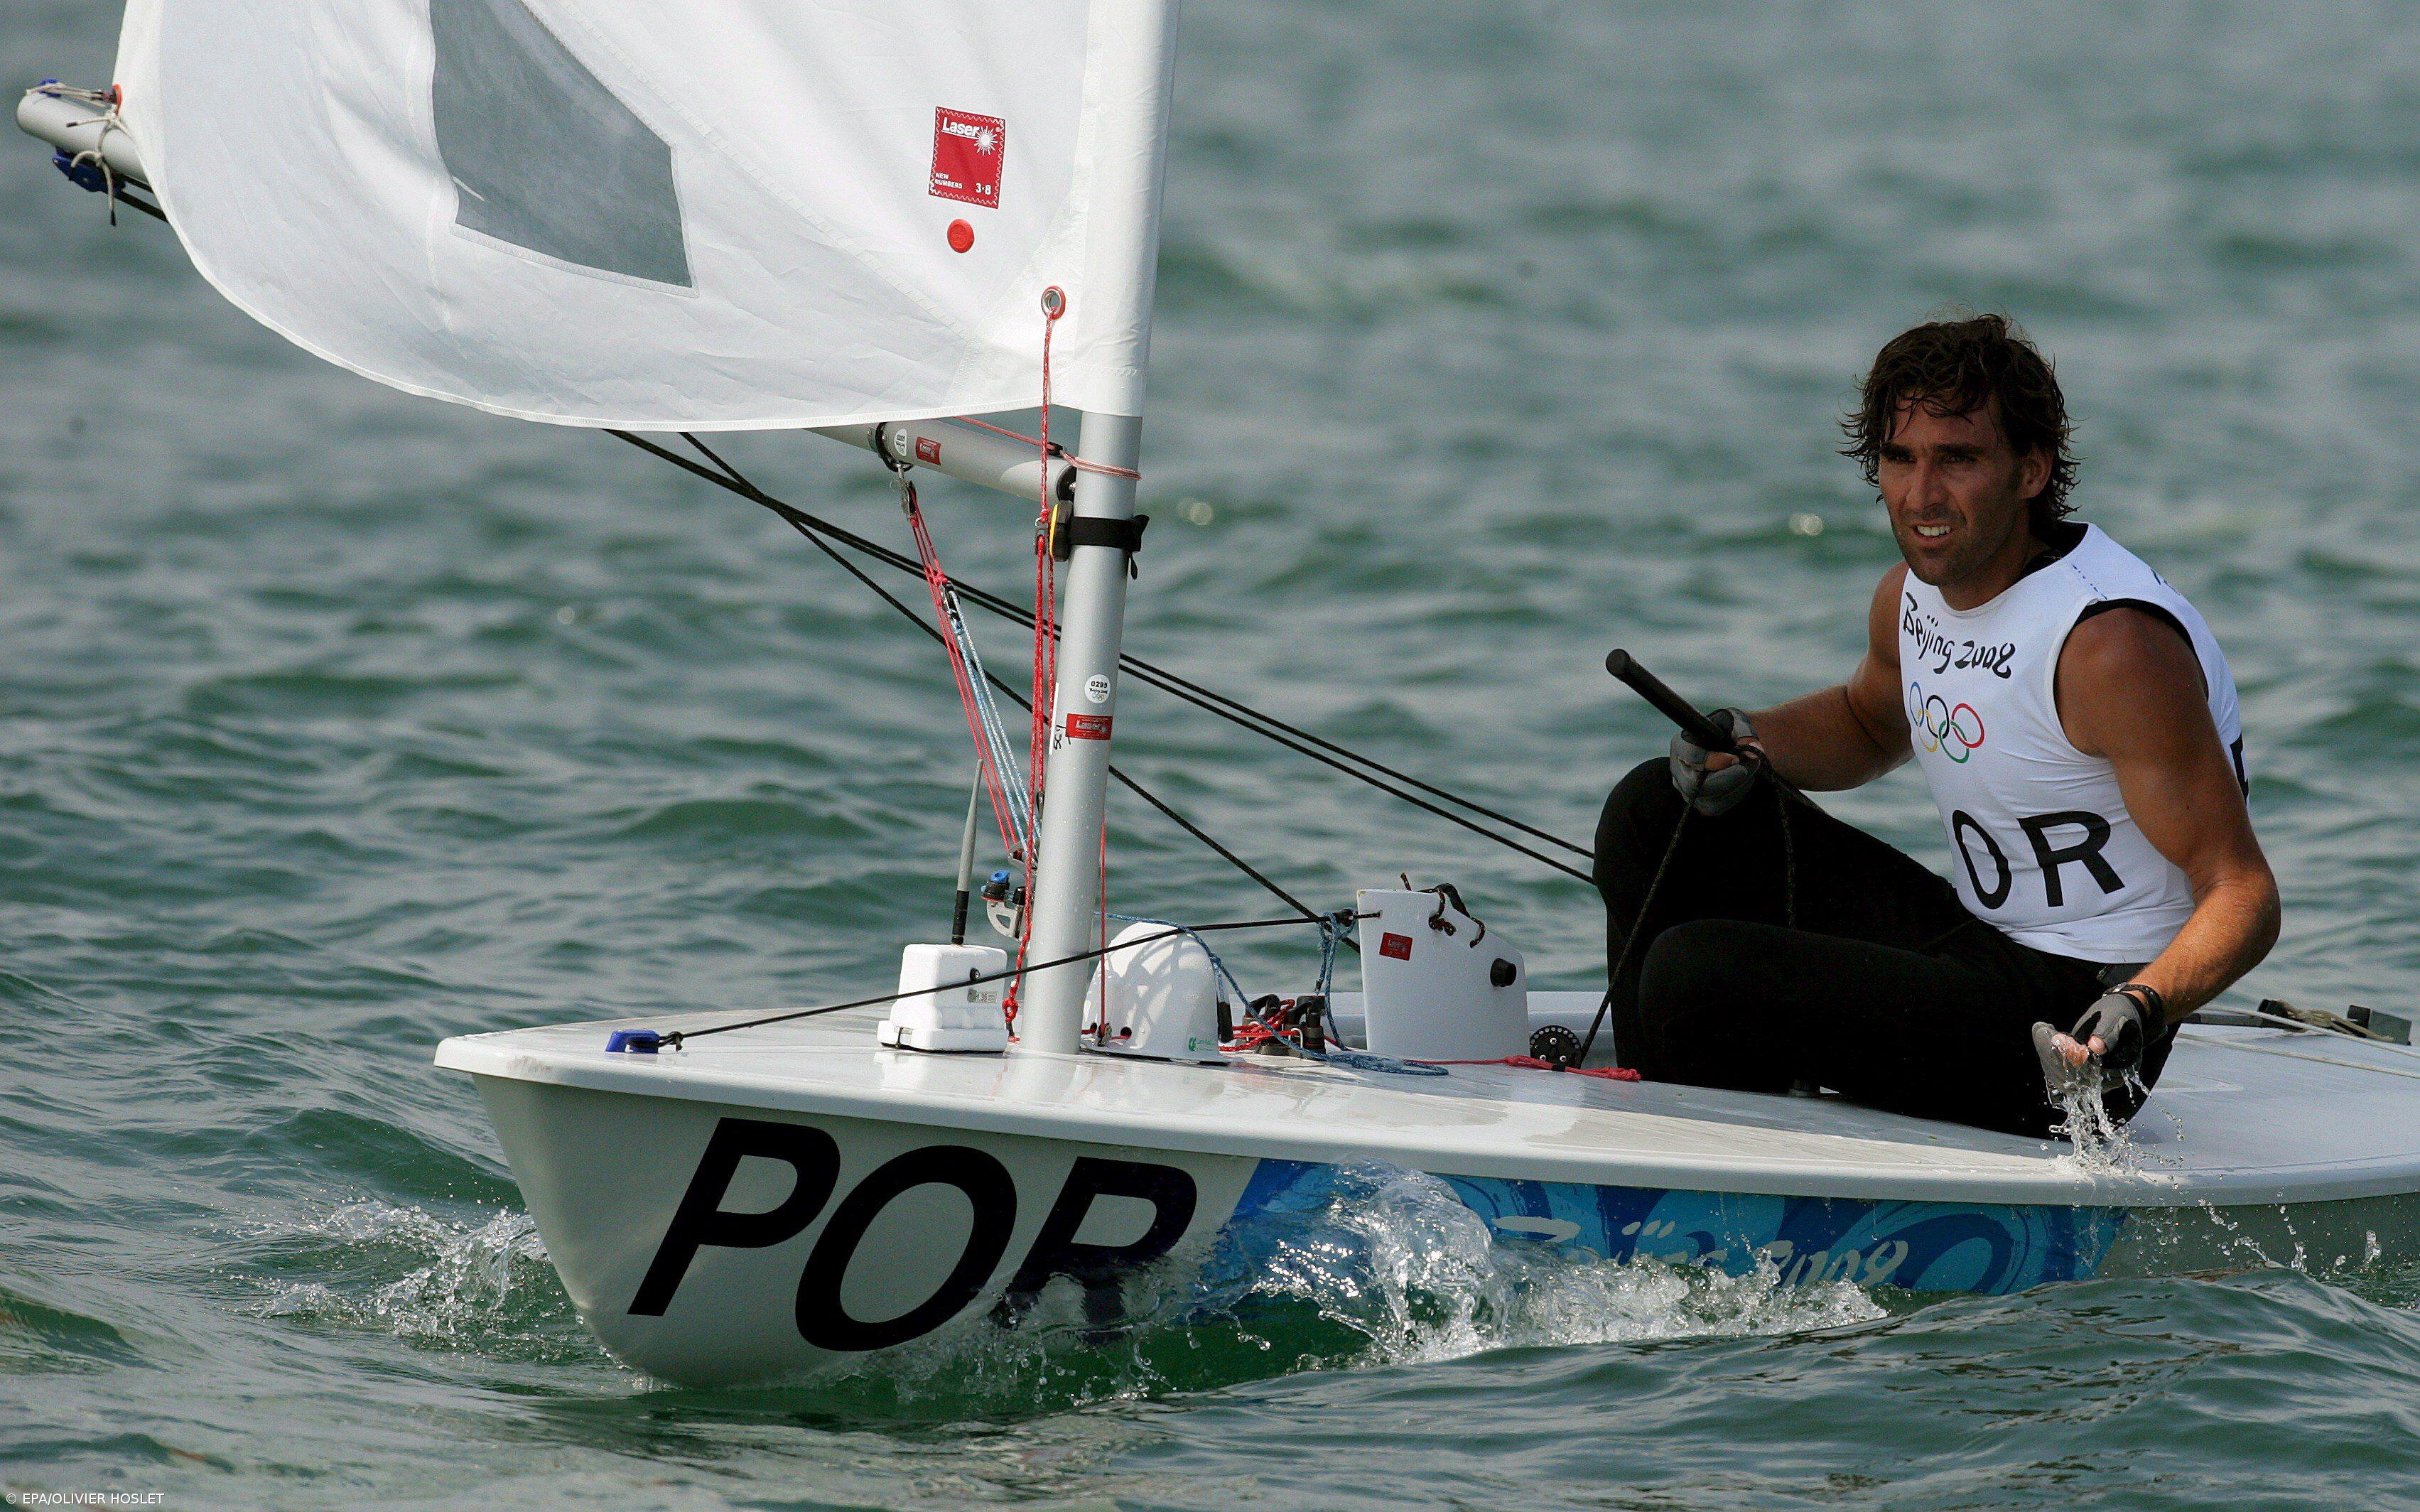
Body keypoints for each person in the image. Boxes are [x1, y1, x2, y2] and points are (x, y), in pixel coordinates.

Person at [1593, 313, 2280, 1138]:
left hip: (2072, 1031)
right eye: (1899, 458)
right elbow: (1865, 723)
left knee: (1695, 972)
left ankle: (1699, 1163)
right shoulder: (1910, 597)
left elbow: (2243, 893)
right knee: (1650, 807)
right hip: (1975, 944)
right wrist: (1743, 735)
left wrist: (2144, 1000)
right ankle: (1655, 1107)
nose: (1921, 495)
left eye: (1956, 459)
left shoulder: (2108, 647)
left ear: (2031, 470)